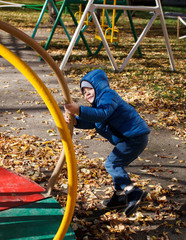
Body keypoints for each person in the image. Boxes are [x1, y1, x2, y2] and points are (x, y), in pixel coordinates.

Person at [64, 69, 150, 217]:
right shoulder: (98, 105)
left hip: (135, 137)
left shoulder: (109, 96)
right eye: (84, 92)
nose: (87, 94)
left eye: (89, 89)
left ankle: (132, 192)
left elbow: (101, 114)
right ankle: (119, 196)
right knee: (117, 165)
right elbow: (94, 122)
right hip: (129, 139)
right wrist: (77, 121)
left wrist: (79, 109)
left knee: (112, 164)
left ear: (99, 86)